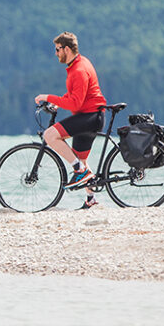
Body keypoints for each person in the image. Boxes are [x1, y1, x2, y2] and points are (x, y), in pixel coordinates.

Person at [34, 31, 106, 210]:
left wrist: (49, 97)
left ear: (67, 49)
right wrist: (58, 103)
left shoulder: (79, 70)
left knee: (50, 135)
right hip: (91, 116)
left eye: (58, 49)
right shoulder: (79, 64)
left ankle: (78, 170)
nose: (56, 53)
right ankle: (91, 199)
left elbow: (75, 102)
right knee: (80, 157)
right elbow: (75, 94)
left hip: (89, 117)